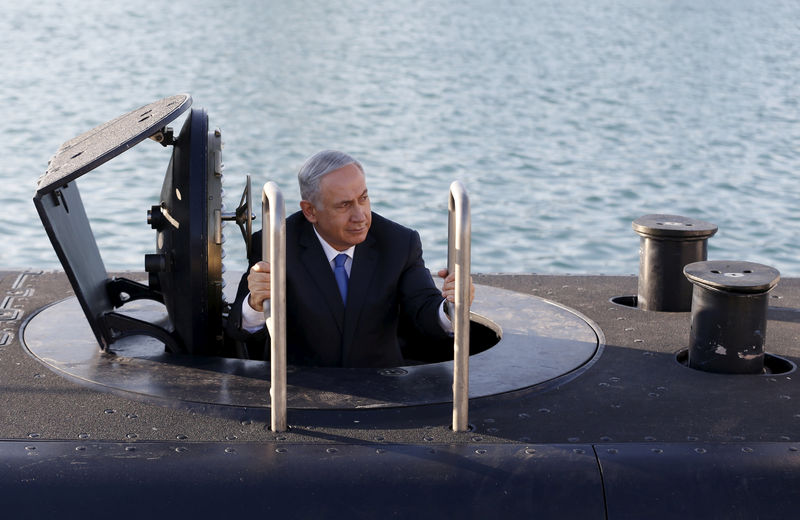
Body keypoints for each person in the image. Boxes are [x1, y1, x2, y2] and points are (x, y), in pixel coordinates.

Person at [227, 150, 474, 368]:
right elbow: (240, 329)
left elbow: (423, 311)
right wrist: (256, 304)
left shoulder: (399, 242)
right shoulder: (275, 244)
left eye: (363, 198)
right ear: (310, 211)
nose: (360, 216)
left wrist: (452, 307)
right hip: (299, 391)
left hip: (382, 389)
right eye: (344, 205)